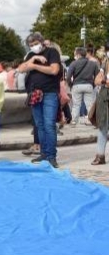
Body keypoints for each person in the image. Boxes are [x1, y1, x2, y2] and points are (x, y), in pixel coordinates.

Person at [17, 32, 62, 168]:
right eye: (31, 45)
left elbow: (54, 70)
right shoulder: (31, 55)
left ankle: (51, 156)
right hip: (35, 94)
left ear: (41, 42)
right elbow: (21, 69)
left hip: (49, 93)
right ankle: (44, 153)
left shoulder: (52, 52)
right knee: (40, 125)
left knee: (49, 125)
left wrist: (35, 66)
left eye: (35, 44)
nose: (34, 47)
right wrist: (34, 58)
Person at [67, 47, 99, 126]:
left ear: (78, 54)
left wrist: (71, 84)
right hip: (89, 85)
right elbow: (97, 76)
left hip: (77, 85)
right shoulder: (93, 64)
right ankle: (91, 120)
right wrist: (93, 84)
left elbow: (68, 76)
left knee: (76, 104)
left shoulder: (73, 63)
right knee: (90, 104)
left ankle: (74, 121)